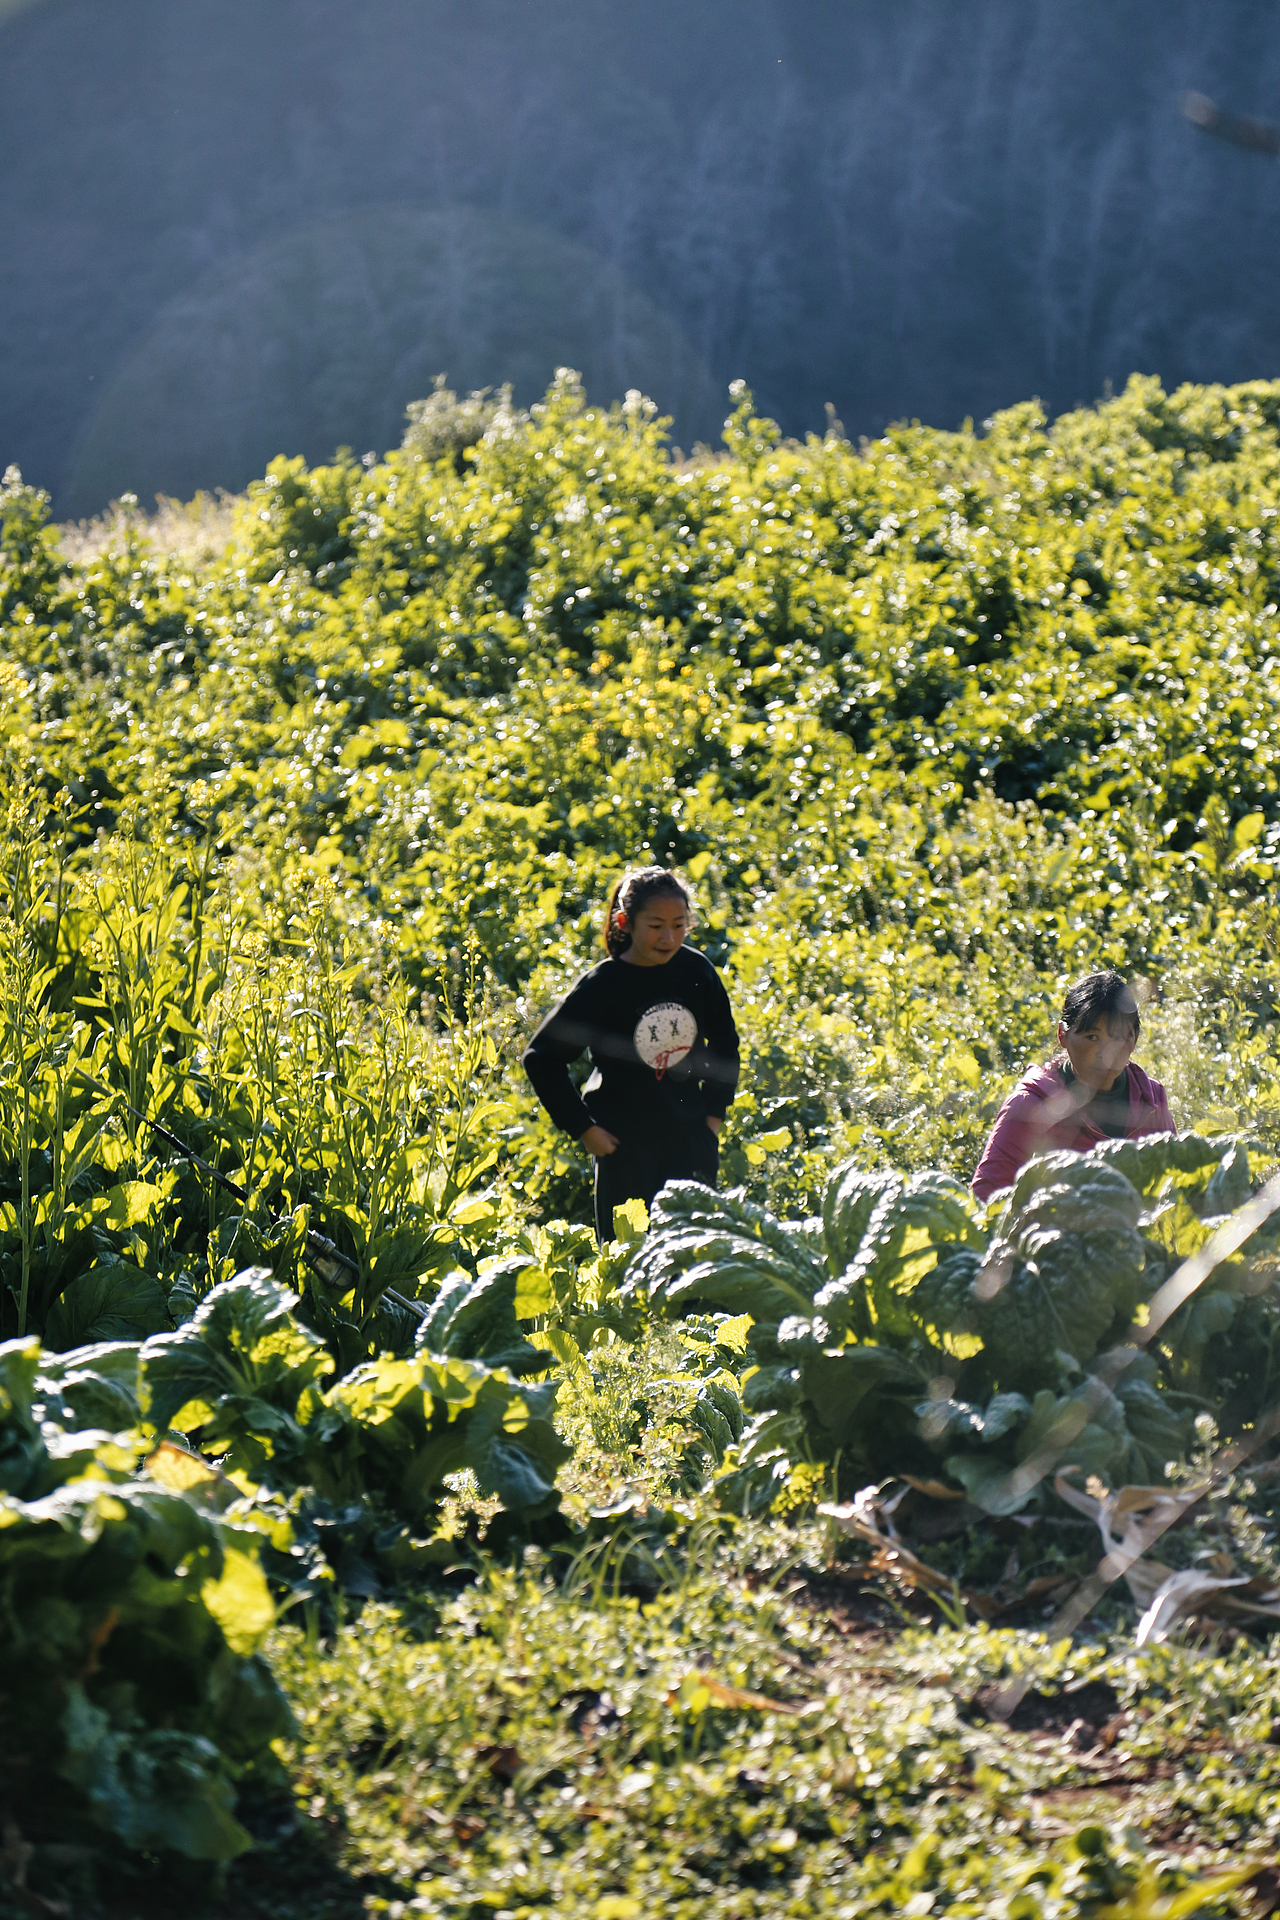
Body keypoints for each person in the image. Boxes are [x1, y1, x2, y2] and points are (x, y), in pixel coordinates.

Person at [522, 866, 740, 1242]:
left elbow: (725, 1046)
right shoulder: (604, 985)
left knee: (693, 1258)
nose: (668, 937)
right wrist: (584, 1129)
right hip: (624, 1150)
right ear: (625, 922)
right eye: (655, 925)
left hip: (690, 1141)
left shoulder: (696, 971)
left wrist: (714, 1118)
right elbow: (541, 1058)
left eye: (679, 924)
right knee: (628, 1263)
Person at [970, 970, 1173, 1203]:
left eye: (1117, 1037)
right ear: (1062, 1036)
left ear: (1133, 1039)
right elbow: (987, 1198)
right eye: (1091, 1037)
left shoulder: (1152, 1101)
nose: (1105, 1054)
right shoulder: (1030, 1106)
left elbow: (1174, 1186)